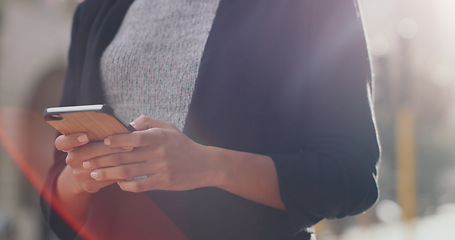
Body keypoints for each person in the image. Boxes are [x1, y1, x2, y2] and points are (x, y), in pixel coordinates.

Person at [41, 0, 380, 239]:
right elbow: (58, 189)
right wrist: (83, 176)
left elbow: (350, 178)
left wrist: (209, 166)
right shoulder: (95, 11)